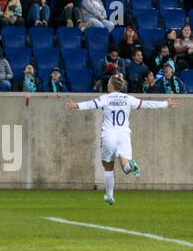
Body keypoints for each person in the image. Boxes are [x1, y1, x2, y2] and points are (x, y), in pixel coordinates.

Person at [65, 74, 178, 205]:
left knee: (108, 167)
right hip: (124, 135)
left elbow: (92, 104)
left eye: (108, 83)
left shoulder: (106, 98)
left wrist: (76, 106)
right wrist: (166, 103)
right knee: (125, 167)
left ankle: (109, 196)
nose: (107, 84)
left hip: (109, 135)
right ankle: (131, 165)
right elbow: (146, 103)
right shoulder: (128, 98)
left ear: (111, 86)